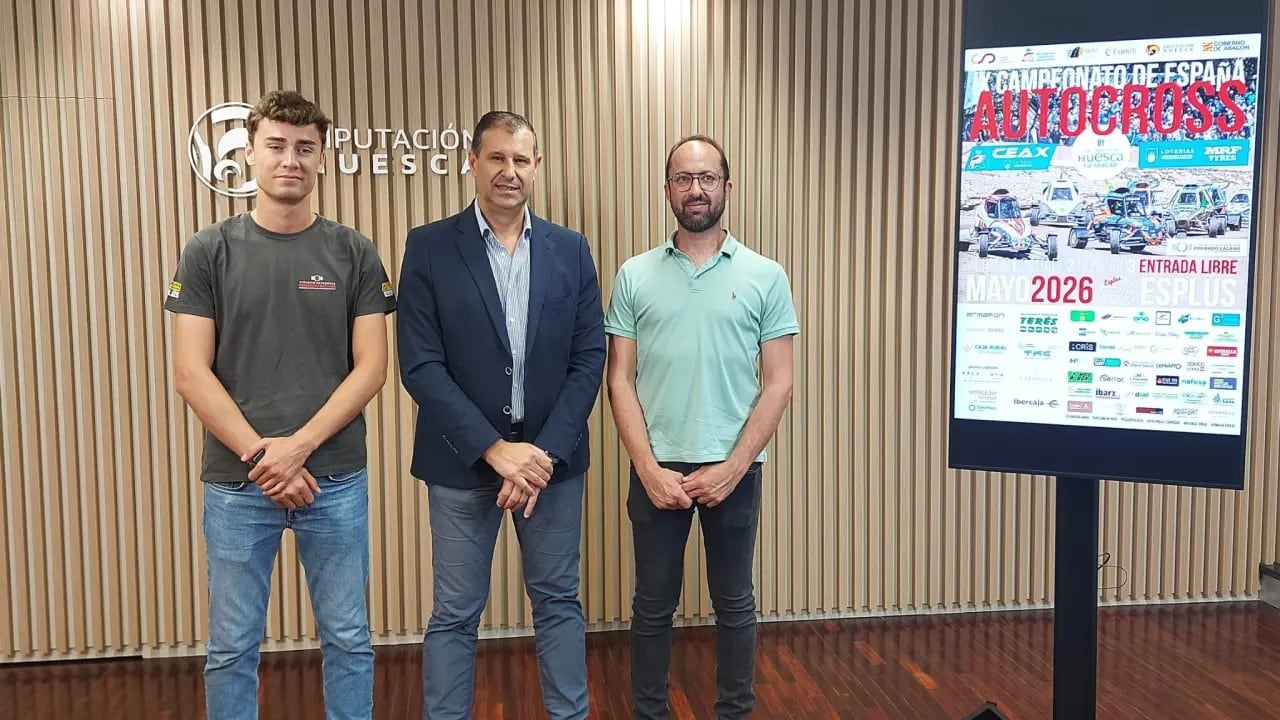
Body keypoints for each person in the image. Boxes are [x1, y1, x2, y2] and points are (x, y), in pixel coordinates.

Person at [165, 89, 396, 720]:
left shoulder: (353, 251)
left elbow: (371, 367)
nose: (290, 159)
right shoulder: (210, 249)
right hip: (239, 485)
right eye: (276, 145)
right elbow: (191, 372)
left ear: (322, 158)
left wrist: (297, 450)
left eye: (305, 148)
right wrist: (262, 454)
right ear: (251, 154)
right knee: (232, 646)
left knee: (349, 639)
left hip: (336, 480)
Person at [396, 110, 606, 720]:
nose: (508, 171)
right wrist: (495, 449)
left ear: (536, 167)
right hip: (462, 463)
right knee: (456, 612)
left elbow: (589, 356)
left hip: (551, 466)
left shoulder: (570, 250)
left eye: (521, 159)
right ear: (473, 163)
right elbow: (421, 365)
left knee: (558, 601)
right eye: (496, 157)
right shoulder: (429, 246)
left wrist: (540, 456)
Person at [604, 134, 799, 719]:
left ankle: (734, 712)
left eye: (707, 177)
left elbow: (780, 380)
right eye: (684, 179)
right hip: (657, 469)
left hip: (733, 470)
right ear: (667, 190)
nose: (696, 189)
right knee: (651, 607)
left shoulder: (766, 276)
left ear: (726, 187)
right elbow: (618, 378)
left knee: (735, 604)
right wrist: (647, 467)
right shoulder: (634, 275)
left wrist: (734, 467)